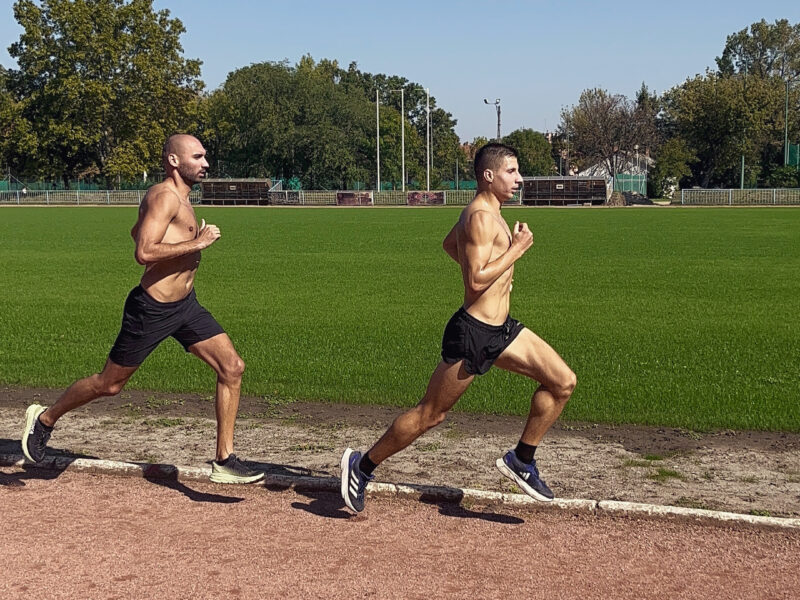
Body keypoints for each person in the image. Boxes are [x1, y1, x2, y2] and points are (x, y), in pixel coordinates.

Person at [341, 142, 576, 512]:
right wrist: (515, 251)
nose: (519, 178)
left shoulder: (490, 212)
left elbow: (451, 244)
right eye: (511, 171)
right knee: (429, 415)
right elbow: (477, 282)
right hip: (473, 334)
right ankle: (362, 465)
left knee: (563, 382)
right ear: (488, 175)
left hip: (501, 330)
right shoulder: (481, 217)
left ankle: (522, 459)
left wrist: (499, 270)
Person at [22, 134, 264, 484]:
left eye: (205, 156)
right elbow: (144, 252)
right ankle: (44, 419)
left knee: (232, 367)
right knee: (109, 385)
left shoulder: (178, 197)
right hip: (151, 309)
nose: (206, 163)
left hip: (185, 307)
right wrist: (199, 242)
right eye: (198, 156)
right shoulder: (165, 197)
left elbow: (137, 231)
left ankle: (224, 459)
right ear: (174, 161)